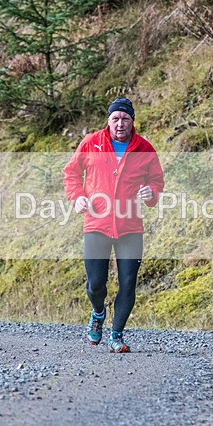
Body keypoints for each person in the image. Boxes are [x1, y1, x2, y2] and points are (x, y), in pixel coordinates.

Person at [62, 98, 164, 353]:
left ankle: (116, 335)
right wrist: (77, 197)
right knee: (96, 284)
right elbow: (71, 173)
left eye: (125, 119)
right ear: (108, 120)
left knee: (128, 282)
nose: (120, 124)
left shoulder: (145, 149)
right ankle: (98, 313)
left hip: (130, 227)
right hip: (97, 222)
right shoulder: (92, 142)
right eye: (115, 118)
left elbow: (156, 181)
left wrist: (151, 192)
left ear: (132, 121)